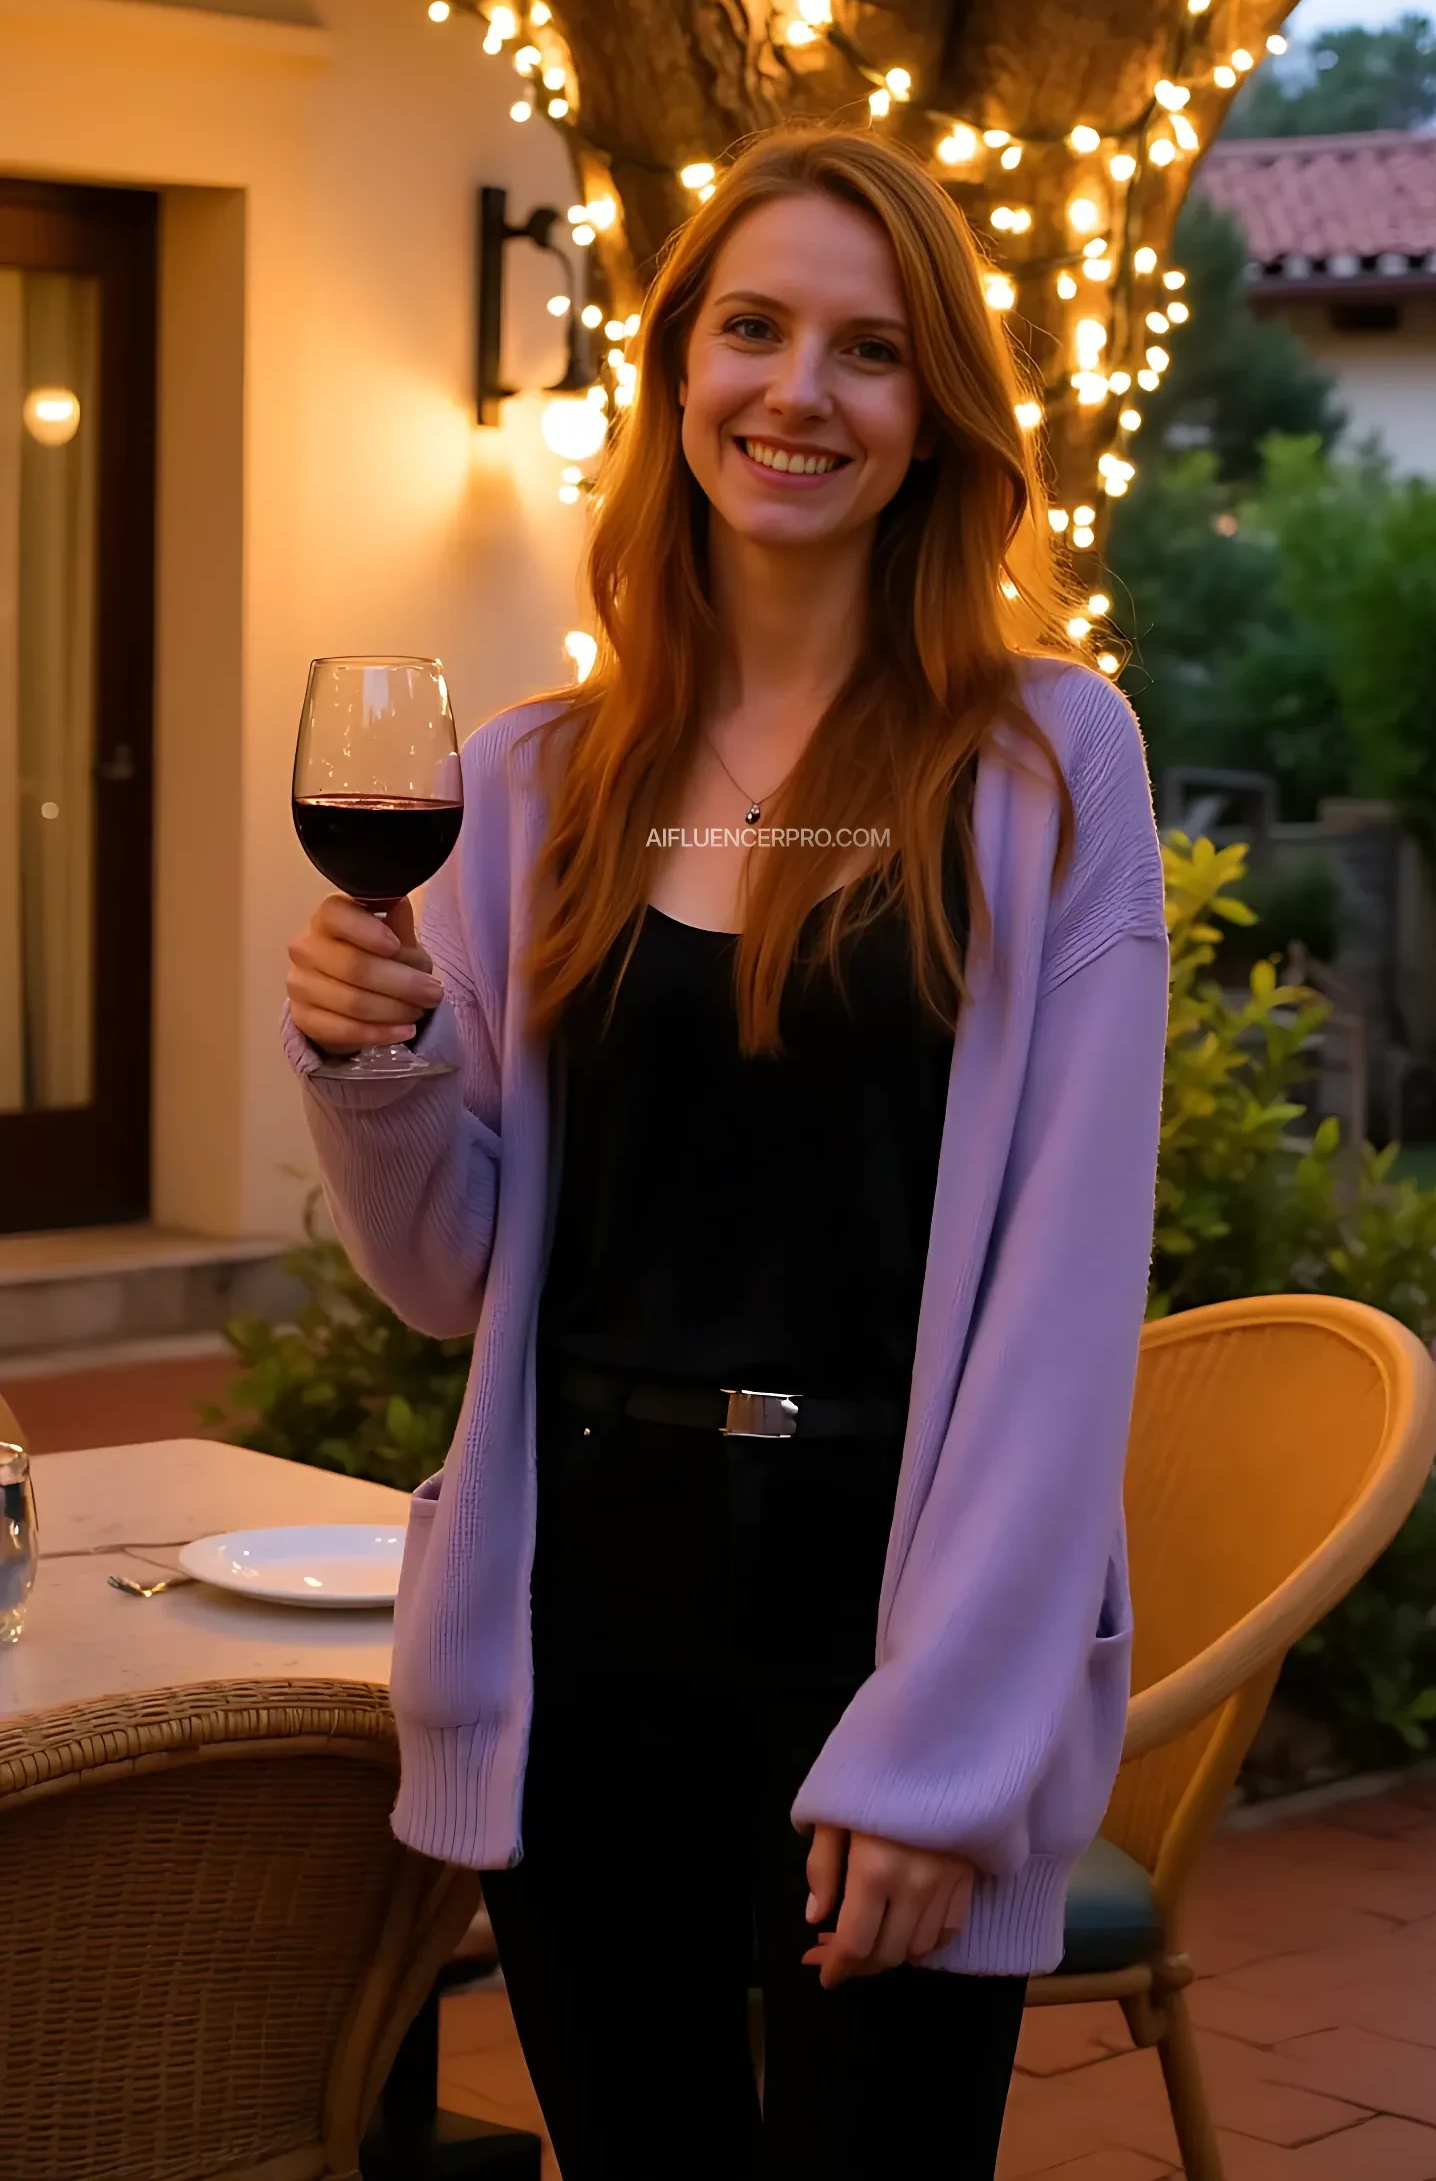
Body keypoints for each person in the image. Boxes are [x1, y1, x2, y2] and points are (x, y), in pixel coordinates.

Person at [283, 126, 1170, 2179]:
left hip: (882, 1614)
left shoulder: (1049, 765)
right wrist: (376, 1074)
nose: (800, 392)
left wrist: (946, 1756)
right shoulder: (524, 782)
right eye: (753, 330)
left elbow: (1059, 1307)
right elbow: (451, 1277)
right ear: (676, 372)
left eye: (869, 352)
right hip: (581, 1616)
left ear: (935, 410)